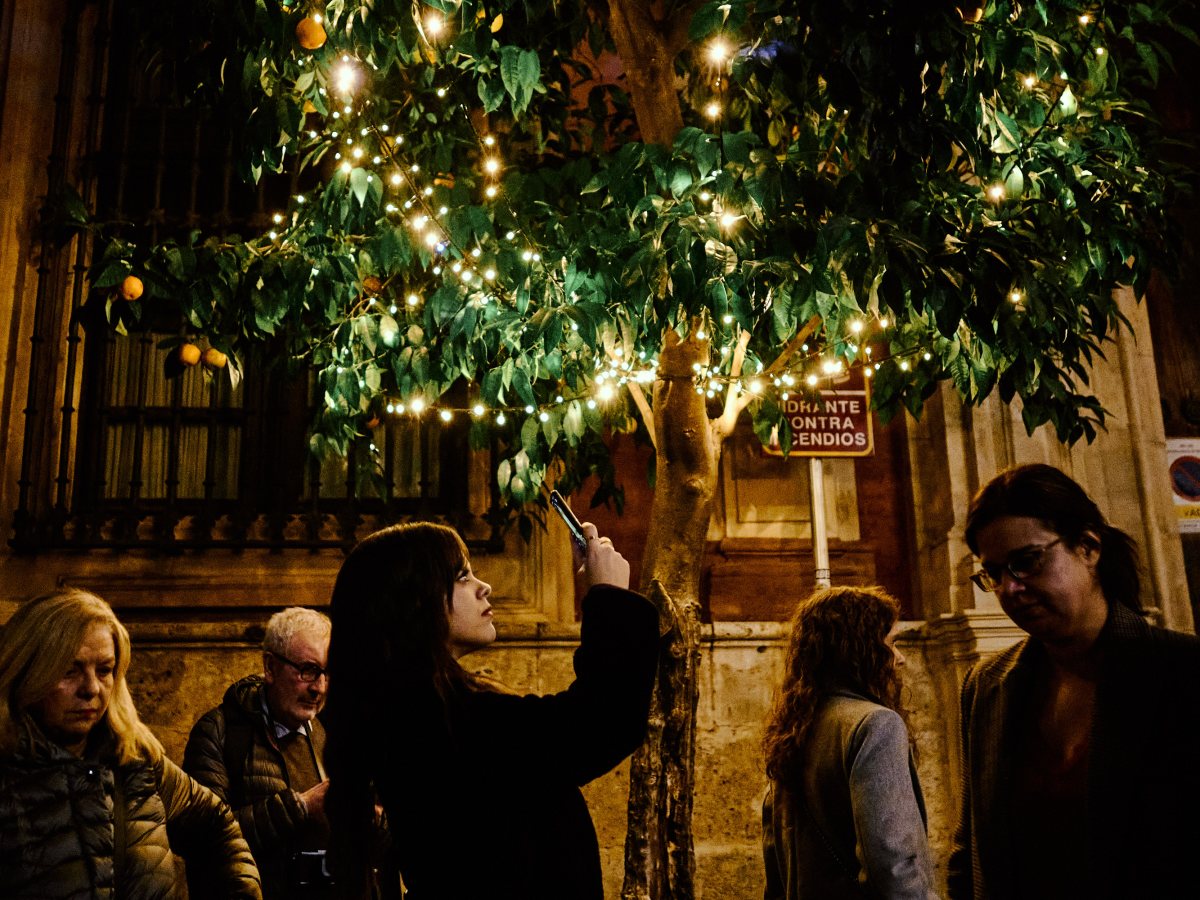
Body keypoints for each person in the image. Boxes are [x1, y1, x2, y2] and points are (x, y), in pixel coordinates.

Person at [322, 520, 659, 900]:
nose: (485, 587)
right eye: (462, 577)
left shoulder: (420, 710)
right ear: (415, 603)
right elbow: (598, 722)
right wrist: (608, 595)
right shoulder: (440, 723)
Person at [948, 463, 1200, 900]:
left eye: (1026, 562)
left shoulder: (1182, 671)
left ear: (1088, 546)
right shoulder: (987, 685)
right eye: (994, 573)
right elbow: (970, 849)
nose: (1010, 589)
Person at [0, 588, 262, 898]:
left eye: (105, 670)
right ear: (26, 672)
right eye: (69, 671)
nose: (92, 688)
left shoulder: (136, 762)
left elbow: (217, 826)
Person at [762, 586, 939, 900]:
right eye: (892, 644)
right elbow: (892, 860)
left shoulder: (795, 728)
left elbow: (775, 857)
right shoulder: (875, 725)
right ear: (863, 649)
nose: (900, 659)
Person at [184, 606, 350, 899]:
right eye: (308, 670)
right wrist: (299, 807)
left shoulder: (329, 733)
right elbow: (201, 839)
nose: (319, 688)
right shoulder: (219, 732)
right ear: (270, 668)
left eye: (327, 672)